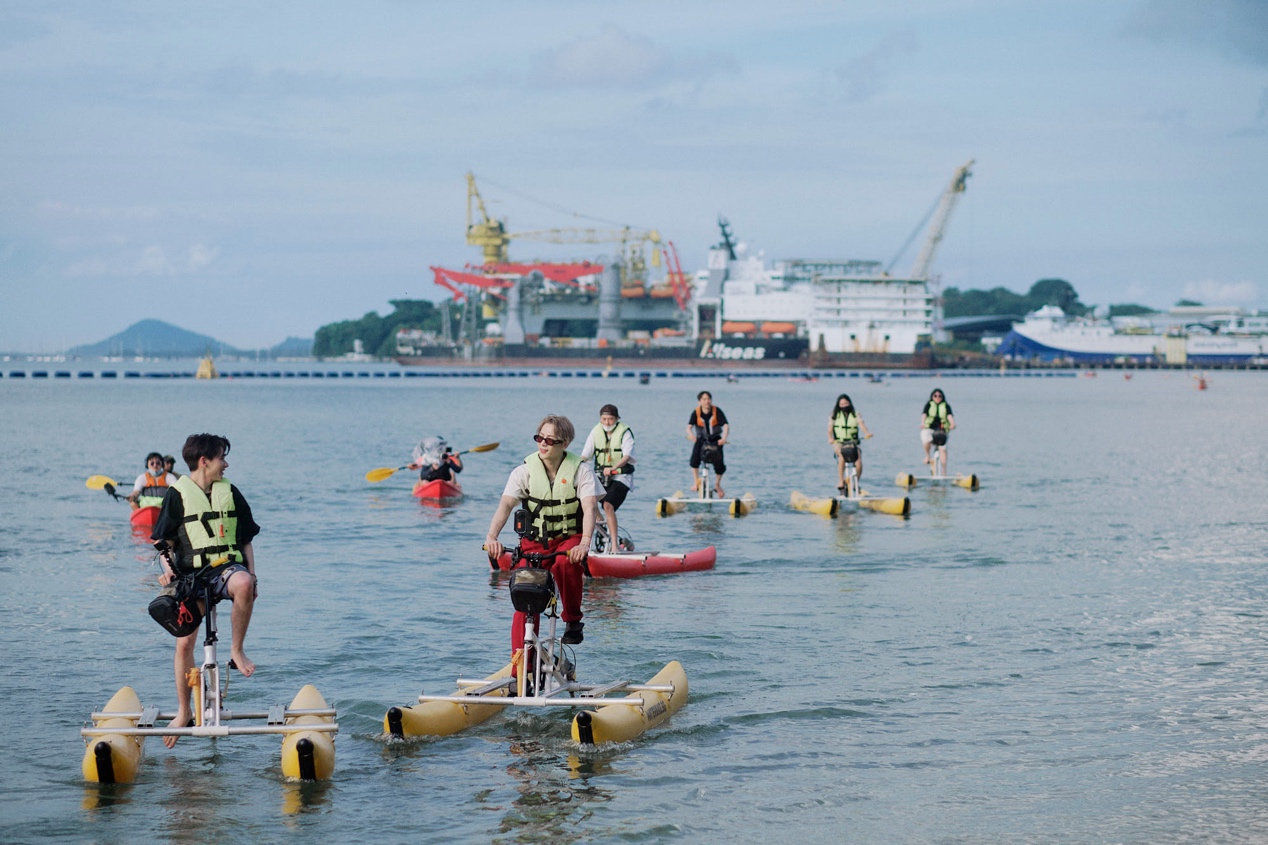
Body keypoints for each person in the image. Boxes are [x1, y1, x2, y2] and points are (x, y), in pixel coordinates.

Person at [151, 433, 259, 748]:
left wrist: (252, 576)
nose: (226, 464)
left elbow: (247, 540)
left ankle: (236, 651)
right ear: (204, 461)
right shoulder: (177, 494)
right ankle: (184, 711)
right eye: (221, 458)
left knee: (244, 584)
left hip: (226, 569)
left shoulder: (231, 492)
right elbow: (164, 546)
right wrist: (168, 573)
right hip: (190, 576)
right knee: (184, 645)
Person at [485, 415, 599, 648]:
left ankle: (573, 620)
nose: (543, 444)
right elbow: (505, 506)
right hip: (534, 542)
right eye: (539, 438)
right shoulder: (523, 472)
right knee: (524, 596)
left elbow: (590, 508)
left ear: (564, 444)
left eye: (550, 440)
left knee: (565, 564)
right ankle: (521, 669)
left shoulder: (582, 471)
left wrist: (584, 543)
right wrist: (492, 537)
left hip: (569, 539)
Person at [578, 404, 634, 553]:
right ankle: (599, 522)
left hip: (621, 477)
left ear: (617, 419)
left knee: (608, 505)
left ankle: (615, 546)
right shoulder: (596, 431)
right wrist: (577, 464)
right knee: (588, 501)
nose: (607, 422)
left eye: (610, 419)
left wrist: (614, 468)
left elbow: (627, 455)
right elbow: (586, 454)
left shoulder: (625, 432)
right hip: (601, 476)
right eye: (604, 419)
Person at [686, 390, 729, 497]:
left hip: (715, 440)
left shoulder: (717, 411)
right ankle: (696, 481)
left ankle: (717, 485)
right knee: (694, 460)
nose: (707, 402)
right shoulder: (696, 412)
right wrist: (691, 435)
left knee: (719, 465)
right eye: (704, 399)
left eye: (708, 399)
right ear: (699, 401)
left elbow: (726, 425)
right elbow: (689, 427)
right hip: (701, 440)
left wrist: (724, 438)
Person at [827, 394, 872, 493]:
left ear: (850, 403)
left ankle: (855, 483)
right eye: (842, 404)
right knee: (842, 455)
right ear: (838, 405)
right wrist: (830, 438)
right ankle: (840, 482)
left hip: (853, 442)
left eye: (846, 403)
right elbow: (829, 430)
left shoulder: (856, 414)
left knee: (858, 461)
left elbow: (862, 425)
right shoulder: (833, 415)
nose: (844, 406)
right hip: (839, 443)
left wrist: (867, 433)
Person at [920, 388, 956, 472]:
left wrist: (952, 424)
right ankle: (928, 456)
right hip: (929, 428)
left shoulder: (946, 406)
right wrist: (922, 423)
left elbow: (949, 416)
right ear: (932, 397)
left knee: (943, 449)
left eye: (940, 396)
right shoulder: (929, 405)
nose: (937, 397)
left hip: (942, 431)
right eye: (935, 396)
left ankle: (944, 471)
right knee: (926, 439)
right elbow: (924, 415)